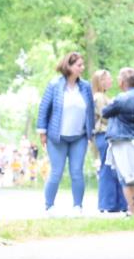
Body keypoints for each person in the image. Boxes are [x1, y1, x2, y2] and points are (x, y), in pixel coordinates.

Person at [37, 52, 94, 215]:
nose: (82, 68)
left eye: (83, 65)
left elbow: (90, 110)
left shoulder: (85, 87)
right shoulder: (55, 85)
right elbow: (43, 109)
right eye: (79, 65)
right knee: (56, 171)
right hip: (57, 137)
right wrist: (42, 132)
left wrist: (90, 133)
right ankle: (49, 206)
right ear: (68, 66)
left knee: (77, 171)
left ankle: (78, 206)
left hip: (79, 137)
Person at [102, 68, 134, 216]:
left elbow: (105, 112)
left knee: (125, 177)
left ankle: (132, 210)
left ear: (122, 82)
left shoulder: (122, 98)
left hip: (123, 140)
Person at [90, 69, 128, 213]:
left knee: (114, 169)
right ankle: (107, 203)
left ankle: (118, 203)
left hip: (109, 135)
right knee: (107, 169)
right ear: (100, 82)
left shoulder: (105, 96)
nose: (111, 80)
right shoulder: (99, 97)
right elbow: (105, 115)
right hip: (104, 135)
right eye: (107, 79)